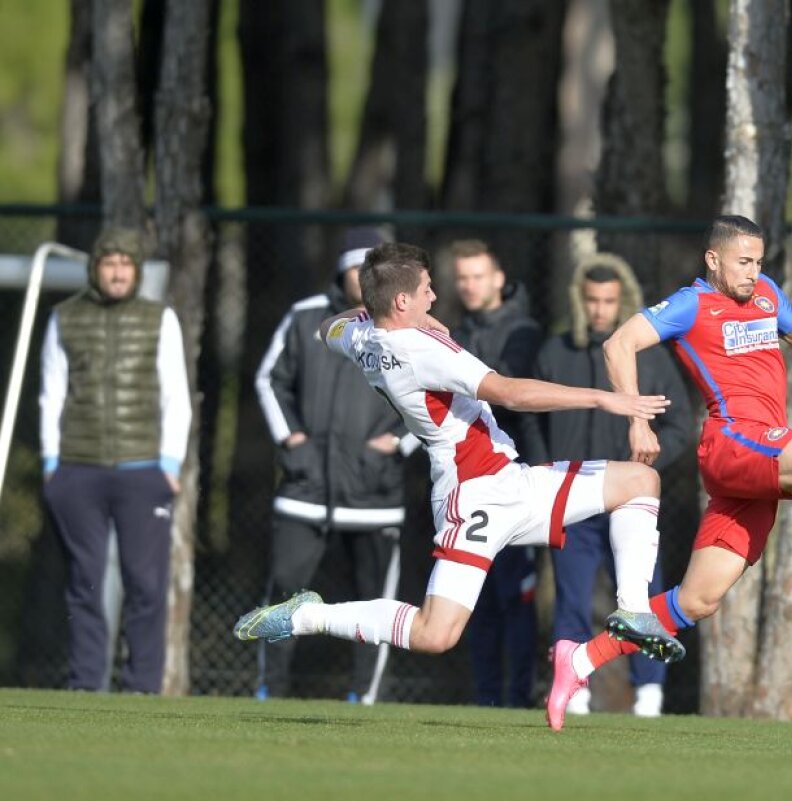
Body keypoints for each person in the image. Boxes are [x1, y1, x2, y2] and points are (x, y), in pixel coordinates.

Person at [232, 242, 684, 733]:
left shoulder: (363, 335)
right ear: (402, 302)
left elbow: (327, 328)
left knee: (640, 480)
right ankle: (311, 616)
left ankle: (634, 611)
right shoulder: (417, 351)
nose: (434, 299)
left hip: (512, 480)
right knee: (434, 634)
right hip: (474, 497)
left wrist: (379, 308)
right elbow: (510, 392)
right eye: (426, 292)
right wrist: (604, 398)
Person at [545, 215, 792, 723]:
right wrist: (637, 419)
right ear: (713, 260)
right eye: (744, 261)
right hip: (731, 440)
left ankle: (581, 659)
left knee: (697, 601)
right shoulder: (690, 304)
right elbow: (619, 345)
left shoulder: (765, 292)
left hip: (758, 460)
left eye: (759, 261)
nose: (753, 271)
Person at [252, 227, 419, 701]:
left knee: (376, 602)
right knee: (285, 592)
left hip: (374, 497)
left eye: (375, 270)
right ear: (342, 272)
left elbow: (442, 397)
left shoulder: (414, 329)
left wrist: (396, 444)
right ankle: (270, 689)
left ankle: (365, 696)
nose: (366, 279)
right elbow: (269, 379)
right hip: (304, 492)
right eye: (357, 269)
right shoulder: (305, 317)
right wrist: (293, 441)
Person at [525, 252, 691, 718]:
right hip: (571, 497)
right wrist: (545, 468)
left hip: (630, 501)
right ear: (581, 299)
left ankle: (651, 693)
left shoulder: (650, 358)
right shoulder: (555, 353)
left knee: (641, 594)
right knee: (571, 596)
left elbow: (680, 424)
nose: (600, 309)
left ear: (624, 301)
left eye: (609, 300)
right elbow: (533, 419)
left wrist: (652, 463)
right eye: (593, 300)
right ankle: (573, 689)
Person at [40, 227, 191, 693]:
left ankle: (141, 687)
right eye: (110, 263)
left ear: (137, 270)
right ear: (95, 268)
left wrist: (169, 464)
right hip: (77, 469)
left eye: (127, 264)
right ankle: (86, 683)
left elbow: (176, 396)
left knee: (145, 583)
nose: (118, 272)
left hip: (143, 469)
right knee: (84, 583)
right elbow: (52, 394)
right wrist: (52, 466)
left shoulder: (159, 318)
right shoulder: (65, 318)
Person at [449, 239, 542, 708]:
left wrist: (535, 470)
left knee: (516, 597)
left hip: (513, 482)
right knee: (476, 600)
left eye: (478, 276)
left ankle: (519, 697)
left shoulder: (523, 332)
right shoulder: (457, 332)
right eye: (462, 277)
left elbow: (520, 410)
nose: (469, 285)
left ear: (499, 279)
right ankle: (487, 697)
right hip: (465, 484)